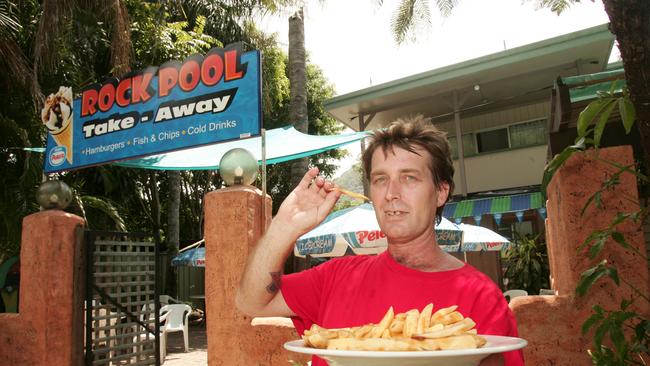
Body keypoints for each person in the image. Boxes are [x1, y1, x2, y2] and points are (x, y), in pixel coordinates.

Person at [236, 116, 524, 366]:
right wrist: (283, 229)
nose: (391, 193)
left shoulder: (482, 298)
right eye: (380, 179)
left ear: (440, 192)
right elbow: (251, 302)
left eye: (409, 178)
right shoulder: (336, 277)